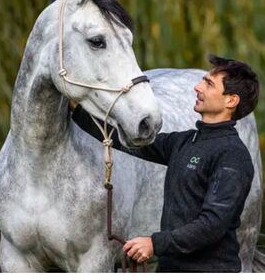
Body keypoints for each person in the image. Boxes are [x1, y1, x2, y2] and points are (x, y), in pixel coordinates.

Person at [70, 54, 259, 272]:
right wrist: (78, 111)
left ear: (231, 100)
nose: (197, 87)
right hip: (170, 268)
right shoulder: (186, 141)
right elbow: (130, 142)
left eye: (208, 84)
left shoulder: (232, 155)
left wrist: (154, 244)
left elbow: (213, 225)